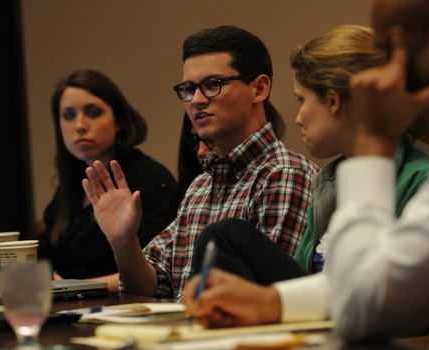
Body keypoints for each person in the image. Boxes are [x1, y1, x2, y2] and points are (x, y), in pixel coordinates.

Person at [184, 1, 429, 349]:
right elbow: (369, 283)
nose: (385, 78)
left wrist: (371, 141)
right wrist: (270, 302)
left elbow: (365, 302)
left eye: (389, 53)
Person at [82, 26, 319, 300]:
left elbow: (265, 300)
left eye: (212, 85)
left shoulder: (284, 175)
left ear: (259, 88)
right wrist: (123, 243)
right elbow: (154, 289)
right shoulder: (200, 184)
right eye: (188, 88)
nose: (196, 100)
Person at [191, 25, 429, 289]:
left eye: (301, 100)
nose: (297, 119)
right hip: (324, 318)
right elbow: (305, 278)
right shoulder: (327, 181)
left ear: (333, 102)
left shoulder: (423, 181)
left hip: (378, 324)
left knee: (226, 236)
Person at [38, 69, 176, 292]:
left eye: (92, 112)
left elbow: (157, 270)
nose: (79, 125)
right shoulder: (73, 182)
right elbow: (44, 255)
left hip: (126, 306)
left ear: (119, 120)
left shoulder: (150, 180)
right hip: (71, 304)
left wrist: (72, 287)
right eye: (69, 115)